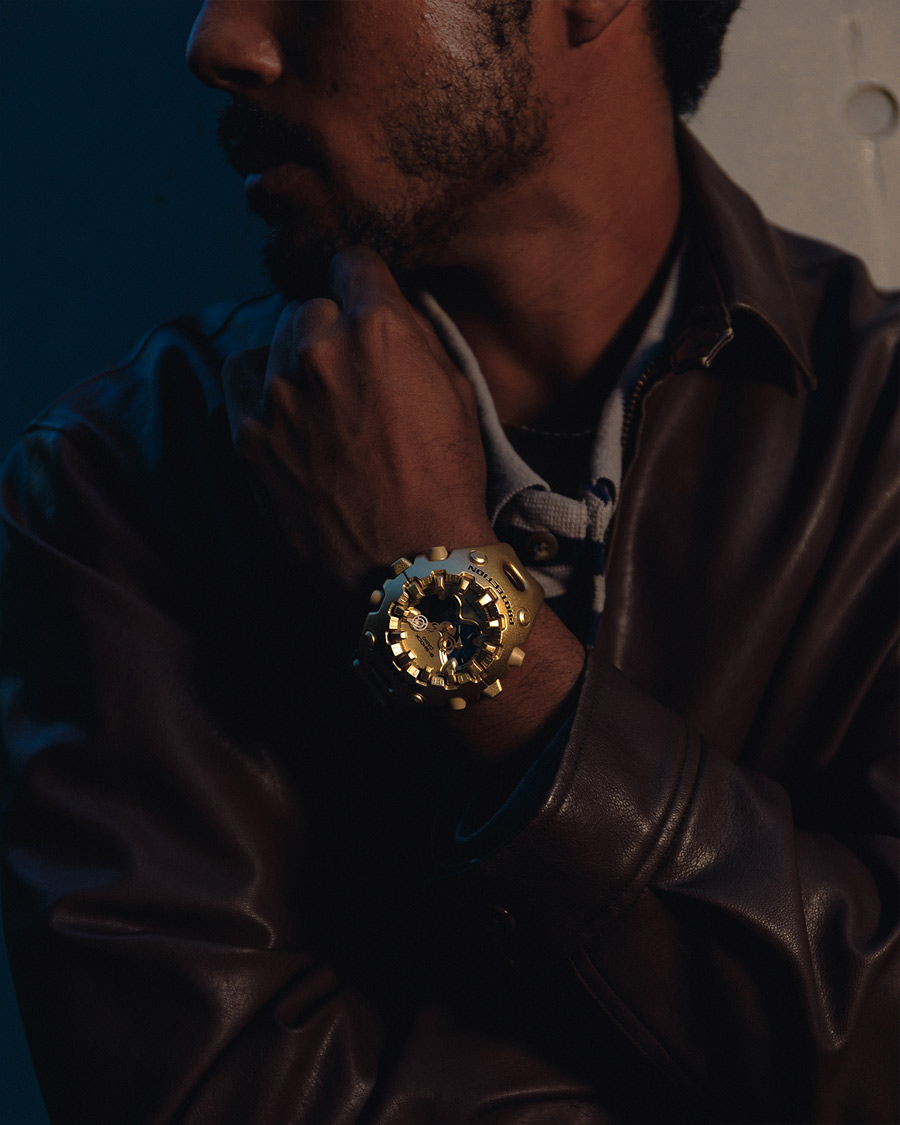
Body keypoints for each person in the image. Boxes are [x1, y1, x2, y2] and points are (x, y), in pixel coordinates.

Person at [1, 1, 897, 1121]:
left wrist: (441, 596)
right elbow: (205, 1094)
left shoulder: (883, 441)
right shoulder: (118, 480)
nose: (217, 40)